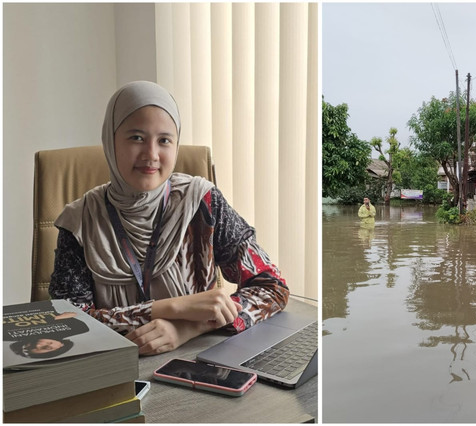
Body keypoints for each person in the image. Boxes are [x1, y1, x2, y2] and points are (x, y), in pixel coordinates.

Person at [49, 81, 289, 356]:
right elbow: (67, 323)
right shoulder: (79, 221)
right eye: (136, 137)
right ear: (110, 139)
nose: (151, 155)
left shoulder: (201, 202)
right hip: (112, 368)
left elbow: (272, 286)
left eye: (164, 140)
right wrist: (170, 308)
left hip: (200, 361)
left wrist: (189, 328)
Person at [4, 300, 87, 359]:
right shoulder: (79, 329)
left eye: (31, 347)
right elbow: (72, 314)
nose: (38, 345)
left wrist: (55, 318)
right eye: (47, 347)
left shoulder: (5, 336)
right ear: (61, 345)